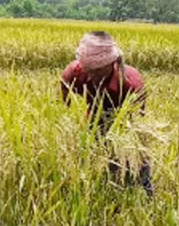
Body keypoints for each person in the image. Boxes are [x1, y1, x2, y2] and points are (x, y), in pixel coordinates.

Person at [60, 31, 153, 196]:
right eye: (88, 70)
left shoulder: (131, 85)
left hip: (125, 126)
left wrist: (119, 143)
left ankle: (145, 197)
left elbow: (137, 122)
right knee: (90, 167)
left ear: (113, 63)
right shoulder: (74, 73)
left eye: (98, 71)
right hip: (93, 121)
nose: (92, 75)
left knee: (137, 167)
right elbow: (61, 103)